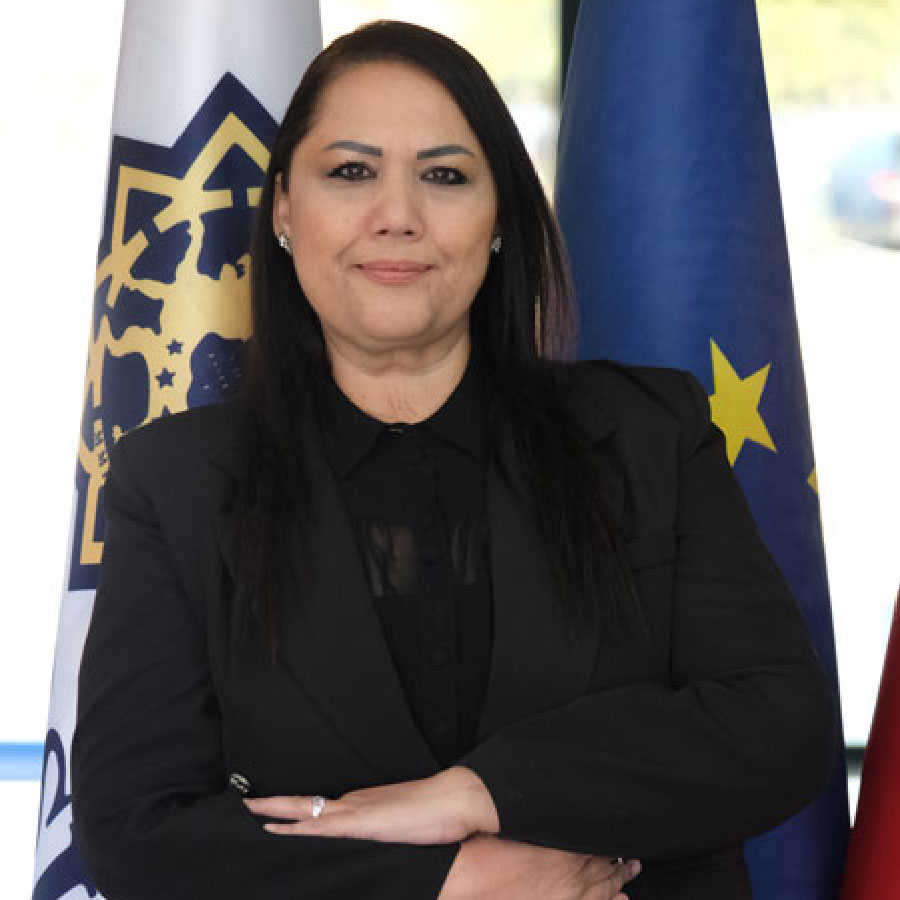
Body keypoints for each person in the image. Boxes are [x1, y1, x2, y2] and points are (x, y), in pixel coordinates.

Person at [71, 19, 836, 900]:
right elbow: (136, 832)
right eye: (351, 172)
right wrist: (458, 877)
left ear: (501, 215)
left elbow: (778, 723)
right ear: (282, 209)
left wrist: (478, 794)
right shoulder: (172, 483)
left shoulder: (650, 432)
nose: (397, 215)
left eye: (444, 175)